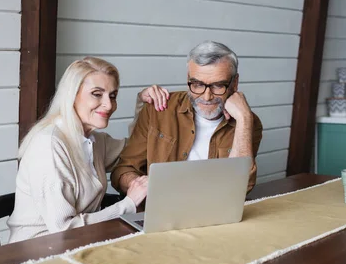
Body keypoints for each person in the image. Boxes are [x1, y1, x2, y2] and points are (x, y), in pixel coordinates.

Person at [7, 57, 170, 243]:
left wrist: (143, 104)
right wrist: (128, 204)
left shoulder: (95, 142)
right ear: (72, 95)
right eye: (96, 94)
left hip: (83, 242)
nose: (109, 105)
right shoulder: (49, 146)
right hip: (36, 251)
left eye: (113, 96)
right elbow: (63, 230)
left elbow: (136, 149)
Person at [111, 40, 263, 196]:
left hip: (215, 213)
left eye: (218, 86)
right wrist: (142, 187)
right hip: (159, 211)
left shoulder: (248, 122)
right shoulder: (158, 109)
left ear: (235, 83)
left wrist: (244, 119)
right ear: (188, 78)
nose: (207, 96)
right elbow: (123, 170)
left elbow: (240, 187)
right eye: (197, 84)